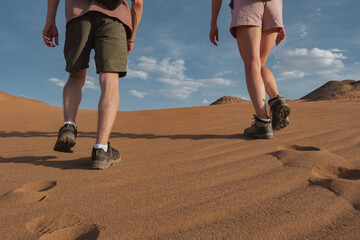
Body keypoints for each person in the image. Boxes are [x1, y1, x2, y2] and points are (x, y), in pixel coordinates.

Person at [43, 0, 143, 169]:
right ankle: (101, 149)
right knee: (109, 80)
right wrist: (131, 37)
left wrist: (50, 20)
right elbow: (138, 3)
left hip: (77, 17)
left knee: (75, 76)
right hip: (114, 18)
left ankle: (68, 125)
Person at [209, 0, 291, 139]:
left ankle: (262, 122)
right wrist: (280, 22)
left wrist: (213, 23)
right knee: (261, 63)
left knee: (252, 62)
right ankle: (277, 101)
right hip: (274, 6)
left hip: (248, 5)